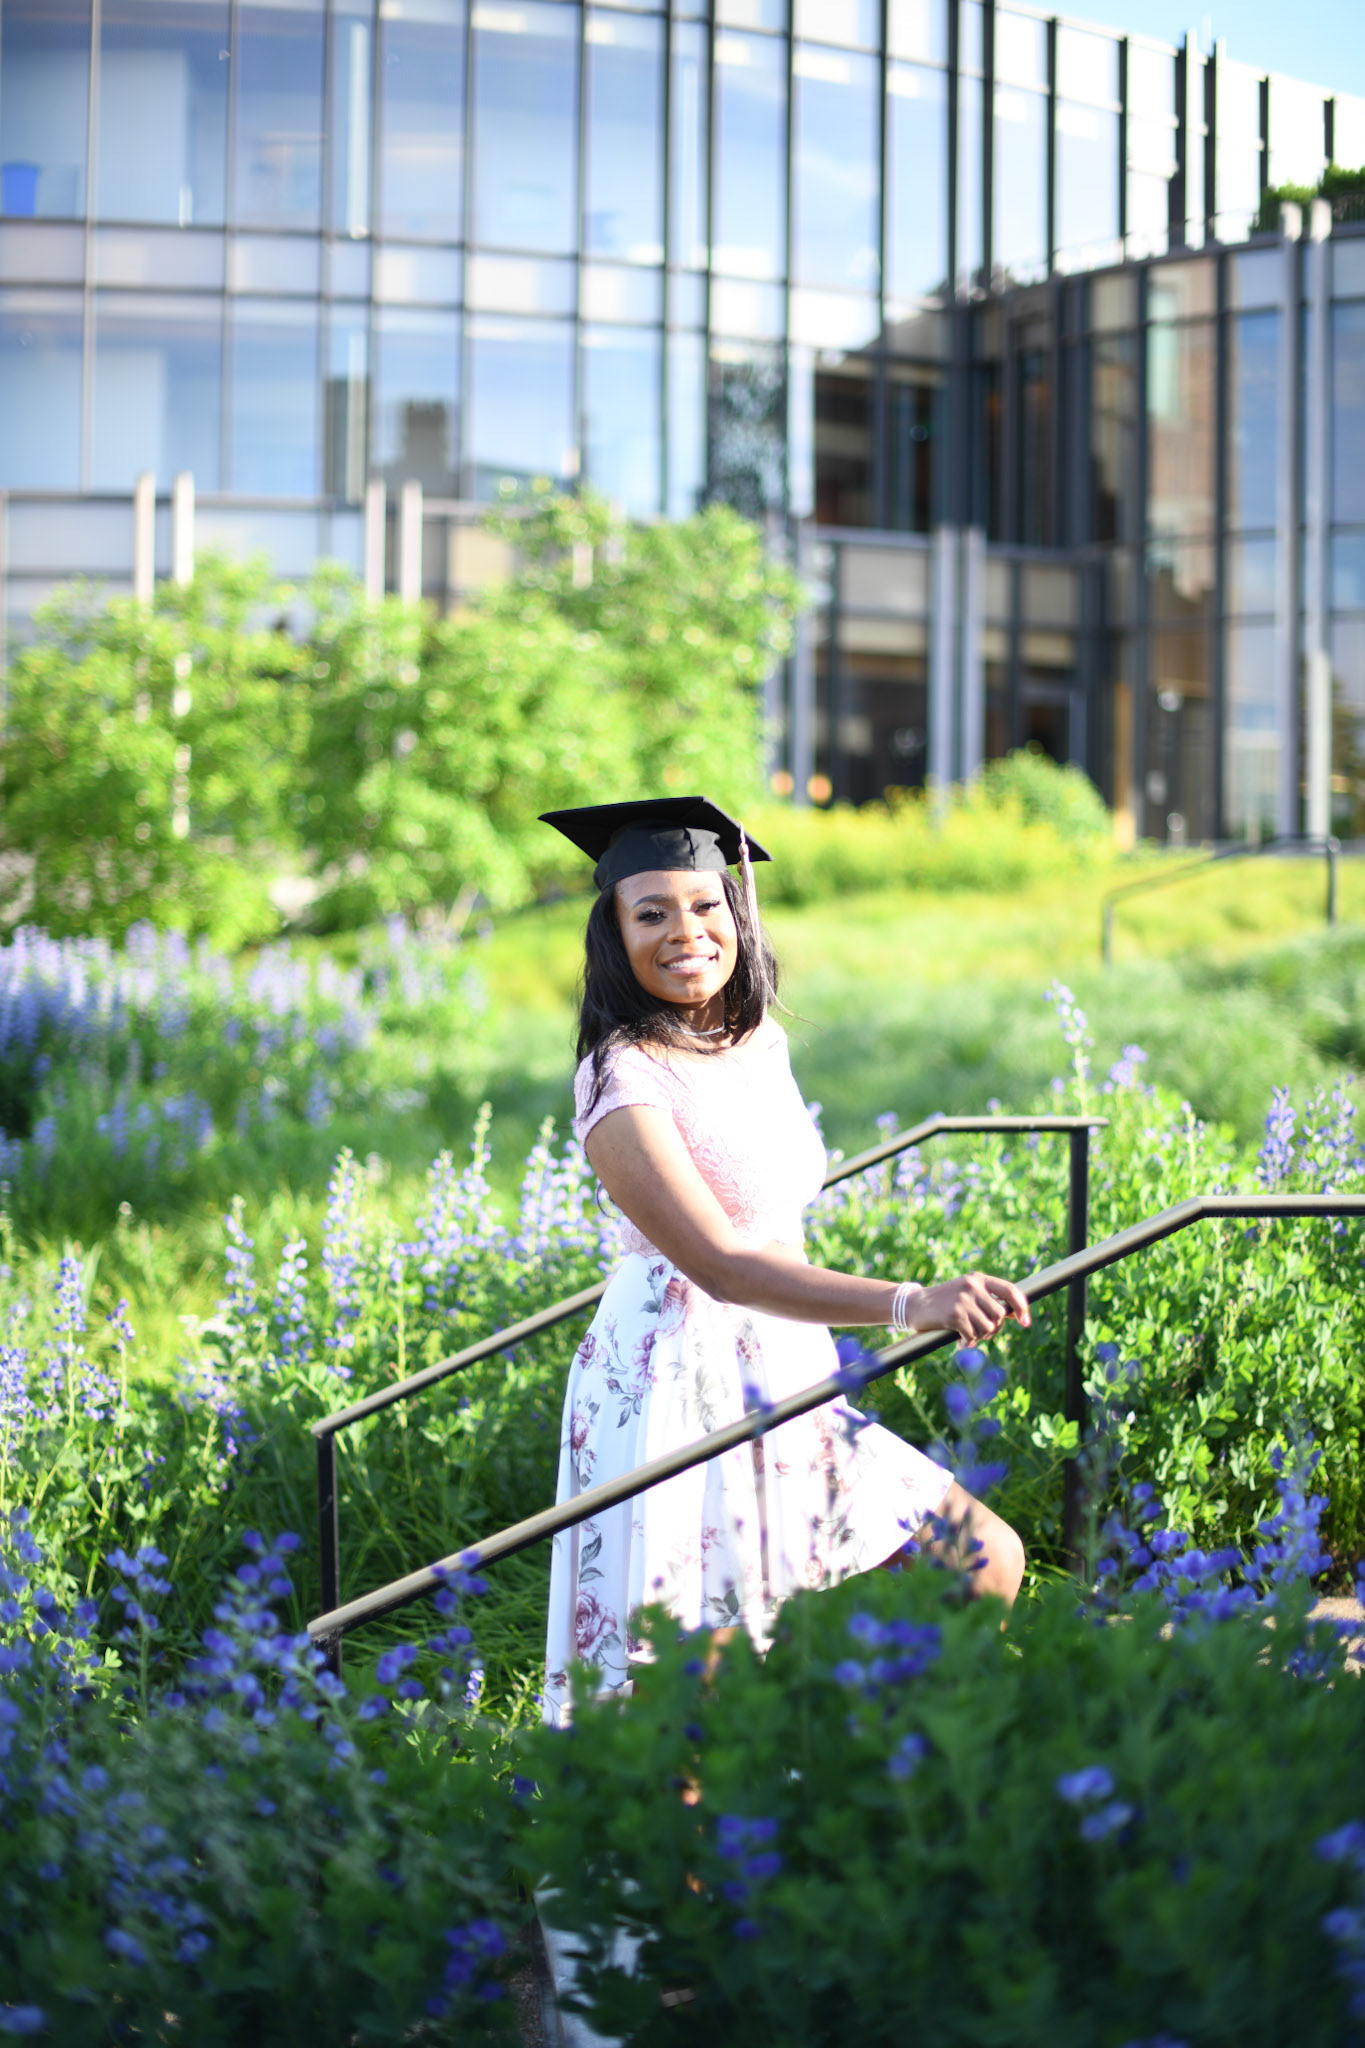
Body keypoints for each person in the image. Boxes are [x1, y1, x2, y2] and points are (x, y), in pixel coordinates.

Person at [538, 796, 1029, 1724]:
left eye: (704, 904)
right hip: (677, 1381)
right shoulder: (620, 1075)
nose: (685, 931)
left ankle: (869, 1770)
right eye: (651, 913)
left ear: (736, 912)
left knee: (979, 1559)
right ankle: (675, 1817)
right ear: (615, 935)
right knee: (699, 1669)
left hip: (783, 1368)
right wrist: (910, 1302)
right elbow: (721, 1264)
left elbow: (771, 1221)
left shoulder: (756, 1041)